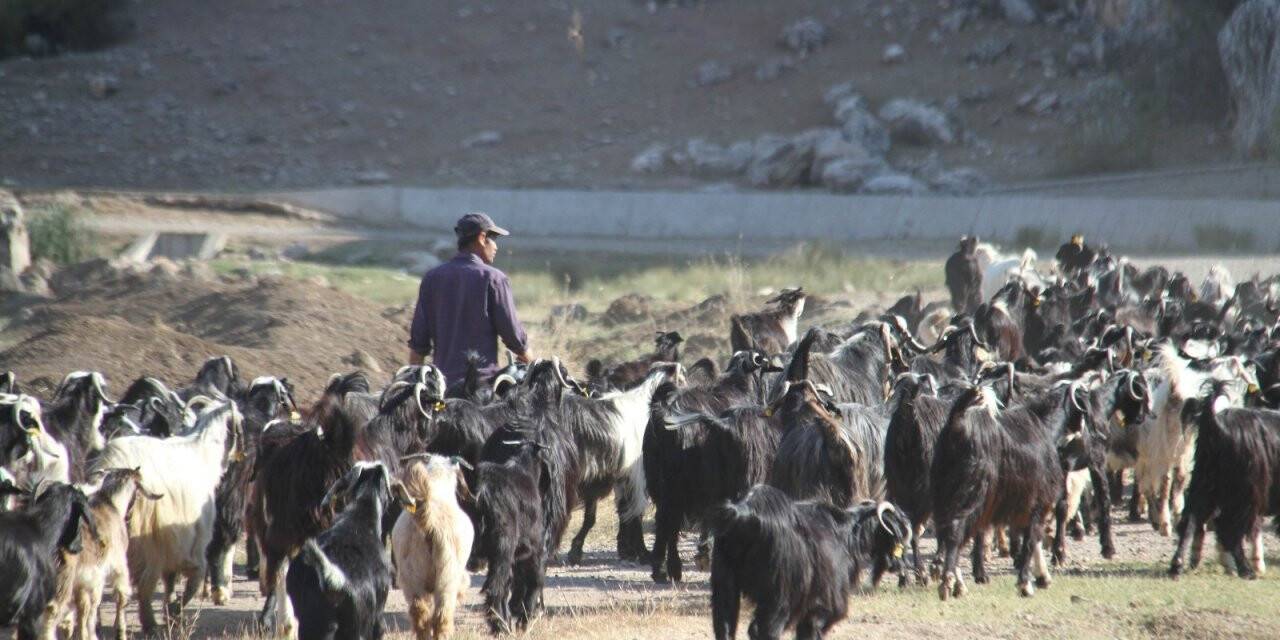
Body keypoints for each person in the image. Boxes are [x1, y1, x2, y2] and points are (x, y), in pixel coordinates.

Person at [408, 212, 531, 385]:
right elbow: (513, 336)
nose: (495, 247)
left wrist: (415, 384)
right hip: (481, 390)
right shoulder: (494, 279)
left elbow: (418, 343)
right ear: (482, 238)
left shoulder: (432, 278)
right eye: (493, 238)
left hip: (443, 389)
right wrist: (533, 364)